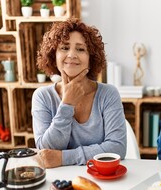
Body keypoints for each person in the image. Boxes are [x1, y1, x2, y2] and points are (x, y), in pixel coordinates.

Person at [32, 18, 126, 168]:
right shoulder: (42, 96)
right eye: (64, 47)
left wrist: (63, 158)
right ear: (53, 55)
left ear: (91, 58)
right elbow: (47, 151)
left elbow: (117, 148)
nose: (72, 55)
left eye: (81, 49)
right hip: (57, 182)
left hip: (100, 178)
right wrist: (67, 104)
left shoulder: (108, 94)